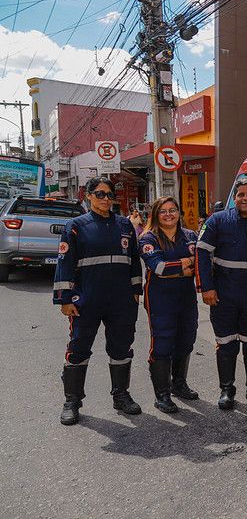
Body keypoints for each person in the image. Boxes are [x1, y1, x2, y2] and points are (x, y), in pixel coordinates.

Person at [53, 177, 143, 425]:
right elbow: (65, 264)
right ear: (89, 196)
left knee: (122, 348)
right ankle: (72, 401)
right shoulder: (75, 227)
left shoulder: (125, 225)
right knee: (79, 348)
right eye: (100, 194)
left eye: (109, 194)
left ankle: (121, 395)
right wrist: (64, 299)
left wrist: (136, 290)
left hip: (121, 301)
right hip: (86, 300)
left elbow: (134, 260)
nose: (105, 199)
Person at [196, 177, 247, 410]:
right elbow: (201, 254)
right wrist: (207, 287)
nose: (245, 198)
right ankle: (226, 389)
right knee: (226, 343)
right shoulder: (217, 221)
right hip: (223, 295)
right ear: (235, 197)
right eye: (241, 194)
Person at [138, 197, 199, 413]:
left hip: (186, 296)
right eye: (163, 211)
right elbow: (159, 267)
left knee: (187, 339)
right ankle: (161, 394)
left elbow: (201, 262)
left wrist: (179, 267)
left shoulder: (190, 236)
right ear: (156, 214)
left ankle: (179, 384)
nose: (168, 214)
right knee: (162, 343)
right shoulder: (148, 238)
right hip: (159, 297)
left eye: (173, 210)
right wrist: (186, 264)